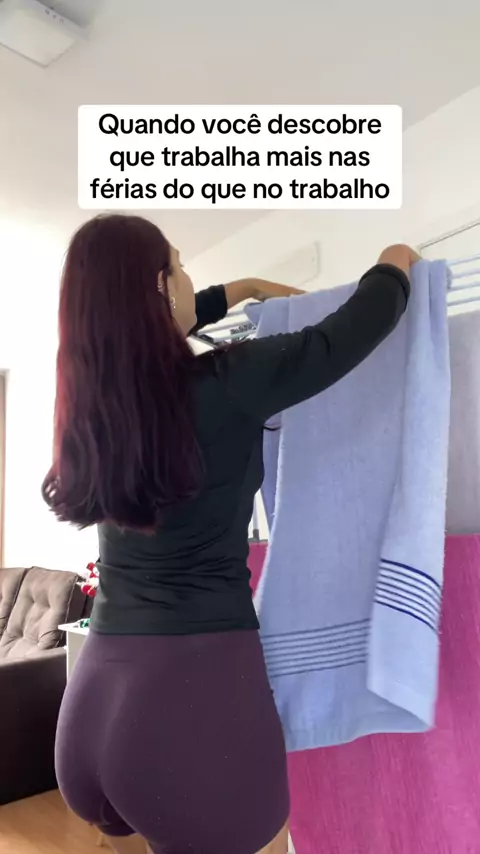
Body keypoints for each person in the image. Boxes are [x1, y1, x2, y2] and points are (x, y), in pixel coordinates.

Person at [43, 213, 419, 854]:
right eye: (180, 266)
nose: (191, 279)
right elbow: (354, 329)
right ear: (160, 287)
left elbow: (174, 318)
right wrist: (397, 257)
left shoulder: (98, 412)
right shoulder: (228, 381)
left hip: (92, 704)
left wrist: (243, 287)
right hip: (190, 695)